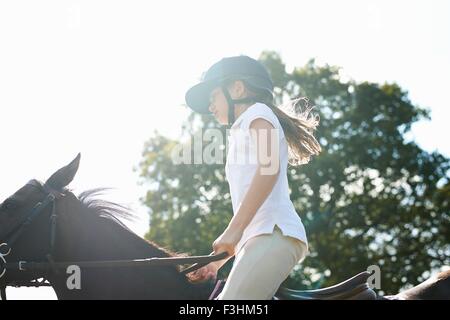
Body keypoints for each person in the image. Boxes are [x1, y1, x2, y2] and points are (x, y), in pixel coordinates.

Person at [184, 55, 322, 299]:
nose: (210, 106)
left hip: (275, 234)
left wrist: (232, 230)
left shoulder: (257, 113)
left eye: (213, 97)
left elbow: (269, 169)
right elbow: (253, 215)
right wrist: (217, 262)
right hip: (261, 238)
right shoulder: (242, 128)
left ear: (237, 88)